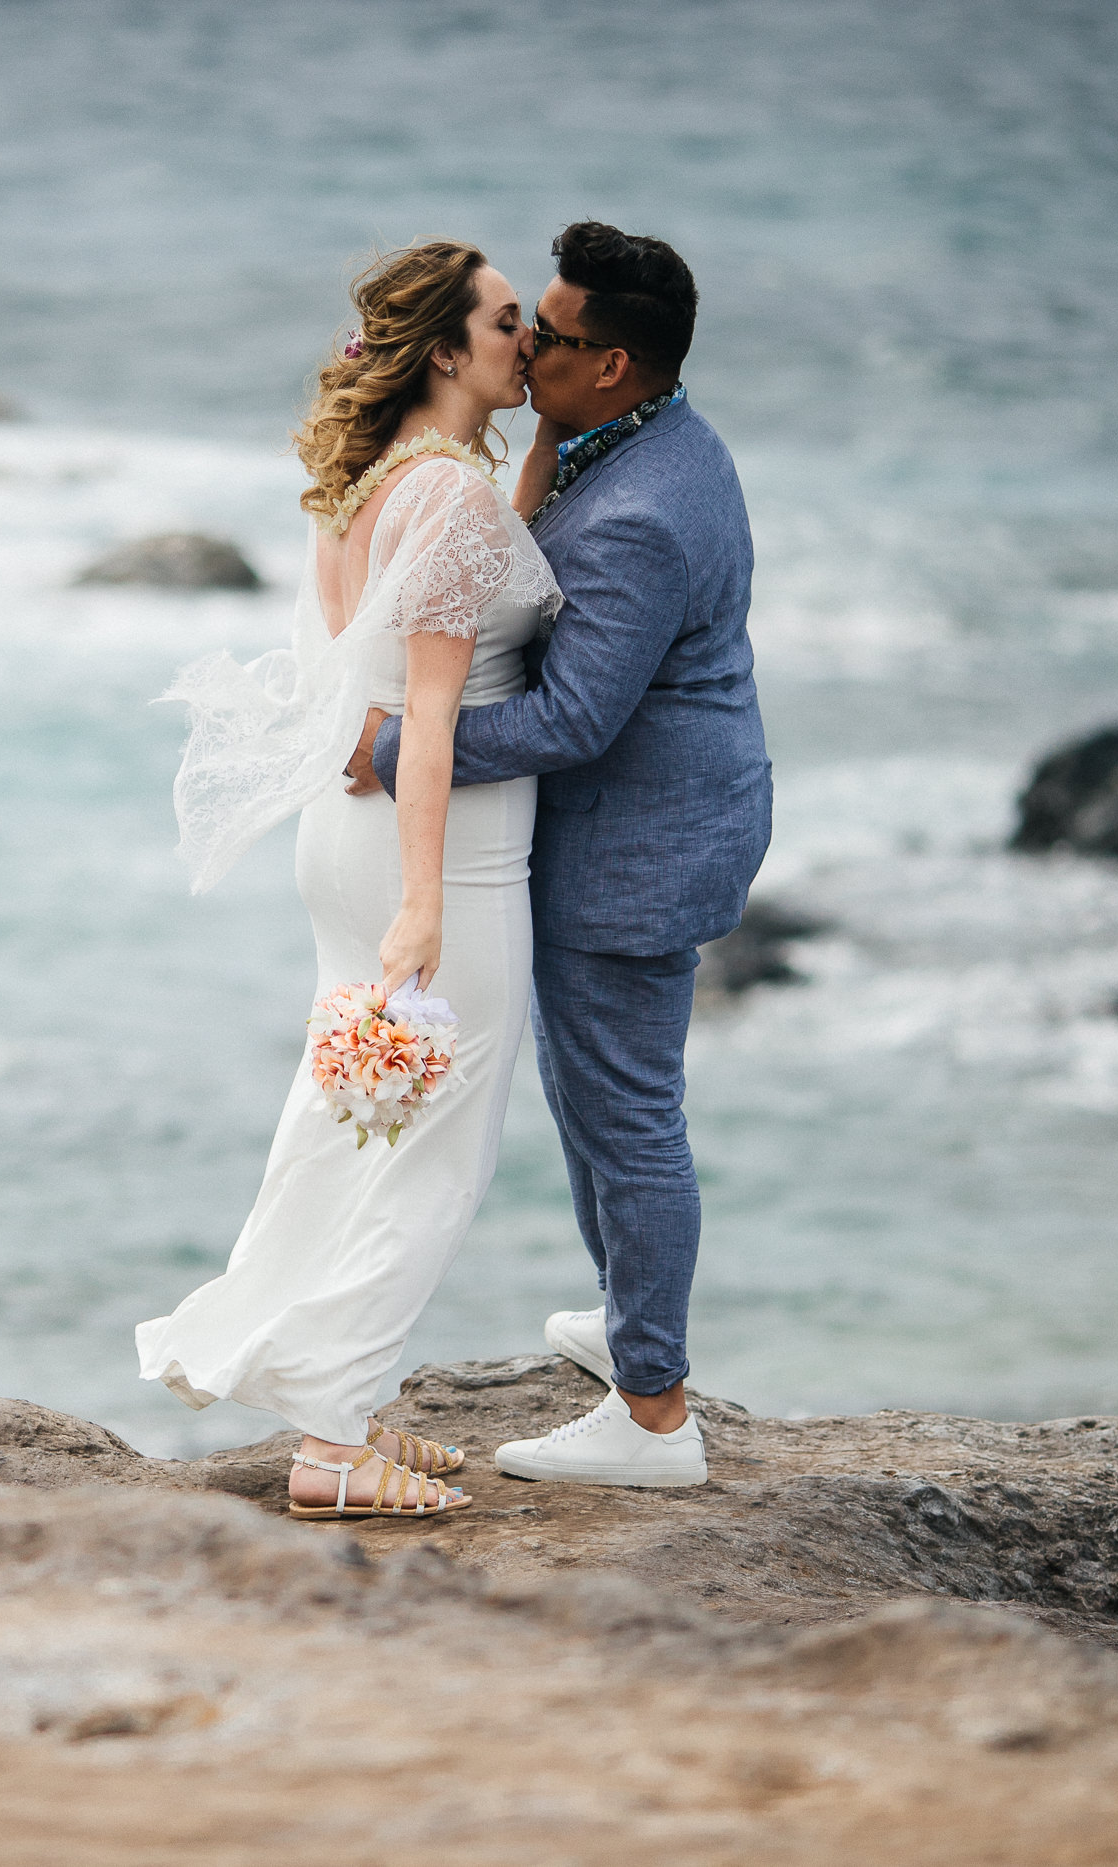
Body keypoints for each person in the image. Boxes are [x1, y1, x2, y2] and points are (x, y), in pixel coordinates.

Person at [138, 242, 563, 1519]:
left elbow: (392, 654)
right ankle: (330, 1438)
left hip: (349, 843)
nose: (524, 341)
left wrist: (531, 460)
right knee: (437, 1142)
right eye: (503, 323)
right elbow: (428, 722)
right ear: (444, 349)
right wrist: (427, 903)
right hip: (439, 856)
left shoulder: (375, 477)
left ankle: (350, 1398)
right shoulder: (448, 502)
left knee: (348, 1111)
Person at [350, 222, 769, 1489]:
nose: (527, 346)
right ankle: (633, 1320)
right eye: (522, 322)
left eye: (555, 338)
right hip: (669, 816)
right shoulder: (653, 439)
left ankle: (653, 1414)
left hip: (636, 846)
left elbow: (569, 722)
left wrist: (387, 746)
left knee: (626, 1119)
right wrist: (538, 439)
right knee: (601, 1105)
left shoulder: (641, 512)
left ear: (618, 364)